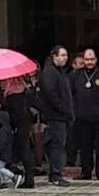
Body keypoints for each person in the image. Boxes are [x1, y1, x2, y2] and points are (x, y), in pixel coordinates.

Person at [71, 48, 99, 181]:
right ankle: (86, 172)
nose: (89, 62)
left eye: (92, 59)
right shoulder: (76, 75)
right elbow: (71, 93)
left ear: (96, 60)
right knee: (85, 146)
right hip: (83, 117)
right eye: (87, 59)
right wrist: (75, 109)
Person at [40, 45, 74, 187]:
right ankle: (55, 174)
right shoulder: (50, 72)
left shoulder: (59, 72)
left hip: (60, 115)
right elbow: (51, 93)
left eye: (66, 55)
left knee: (57, 144)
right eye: (62, 55)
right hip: (56, 116)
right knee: (57, 145)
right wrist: (63, 109)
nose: (65, 58)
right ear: (54, 56)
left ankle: (55, 173)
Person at [2, 75, 36, 189]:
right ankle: (27, 177)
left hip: (19, 125)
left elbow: (15, 114)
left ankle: (25, 177)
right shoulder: (26, 92)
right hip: (25, 124)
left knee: (22, 152)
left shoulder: (13, 96)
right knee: (24, 151)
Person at [0, 110, 23, 189]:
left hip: (1, 153)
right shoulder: (8, 129)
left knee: (0, 168)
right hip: (6, 153)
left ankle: (13, 176)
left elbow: (1, 142)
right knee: (1, 168)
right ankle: (4, 182)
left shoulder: (2, 131)